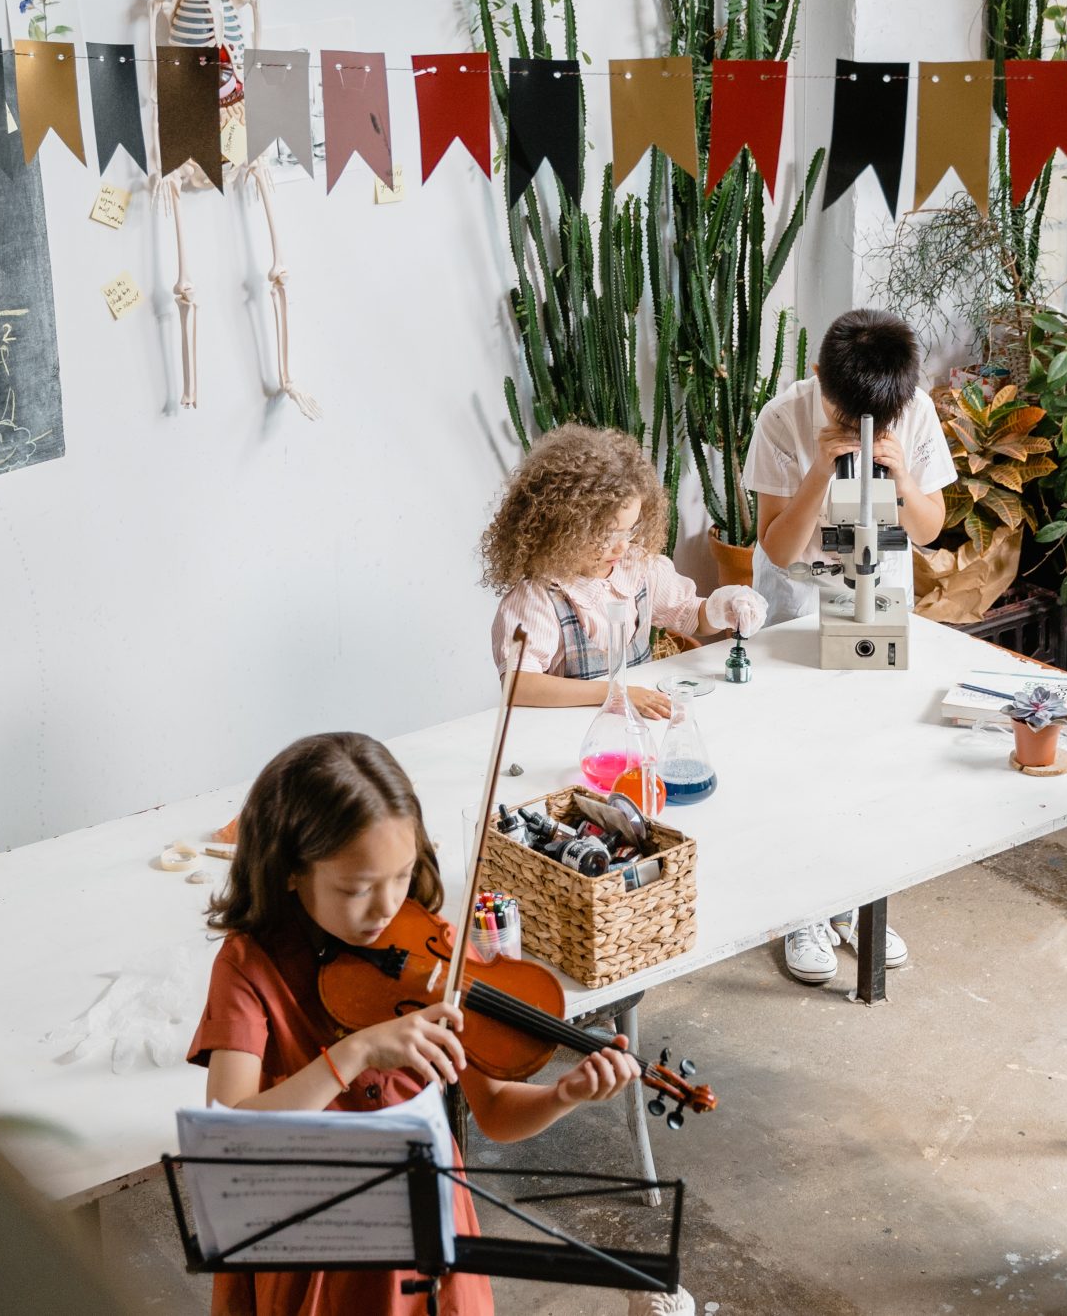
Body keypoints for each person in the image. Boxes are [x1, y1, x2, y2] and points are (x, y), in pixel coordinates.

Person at [193, 732, 691, 1316]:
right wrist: (351, 1055)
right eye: (356, 889)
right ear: (289, 872)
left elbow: (497, 1111)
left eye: (401, 877)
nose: (385, 908)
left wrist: (563, 1094)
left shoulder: (433, 949)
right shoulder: (250, 967)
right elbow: (230, 1134)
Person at [741, 308, 952, 984]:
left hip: (876, 604)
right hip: (796, 611)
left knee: (871, 757)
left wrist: (901, 473)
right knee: (799, 759)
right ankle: (799, 907)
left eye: (883, 416)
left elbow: (929, 529)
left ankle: (862, 900)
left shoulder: (912, 411)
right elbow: (776, 544)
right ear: (818, 381)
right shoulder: (783, 418)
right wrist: (822, 469)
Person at [480, 424, 766, 712]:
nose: (622, 547)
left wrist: (722, 607)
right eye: (608, 535)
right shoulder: (539, 597)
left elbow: (693, 617)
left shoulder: (638, 569)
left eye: (629, 531)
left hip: (635, 727)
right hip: (572, 735)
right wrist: (615, 693)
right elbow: (518, 685)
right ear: (562, 528)